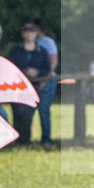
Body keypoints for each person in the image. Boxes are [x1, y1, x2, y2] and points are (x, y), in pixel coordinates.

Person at [7, 23, 50, 146]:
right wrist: (25, 71)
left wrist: (37, 72)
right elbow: (10, 65)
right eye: (27, 32)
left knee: (27, 114)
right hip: (17, 87)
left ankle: (25, 141)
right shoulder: (16, 50)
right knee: (17, 114)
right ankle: (19, 141)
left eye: (32, 32)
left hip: (34, 87)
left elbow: (47, 68)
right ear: (23, 34)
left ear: (36, 34)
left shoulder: (42, 51)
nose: (29, 34)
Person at [33, 17, 59, 149]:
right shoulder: (33, 42)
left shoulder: (48, 42)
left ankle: (46, 140)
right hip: (34, 81)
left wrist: (45, 79)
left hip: (47, 81)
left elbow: (53, 63)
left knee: (44, 111)